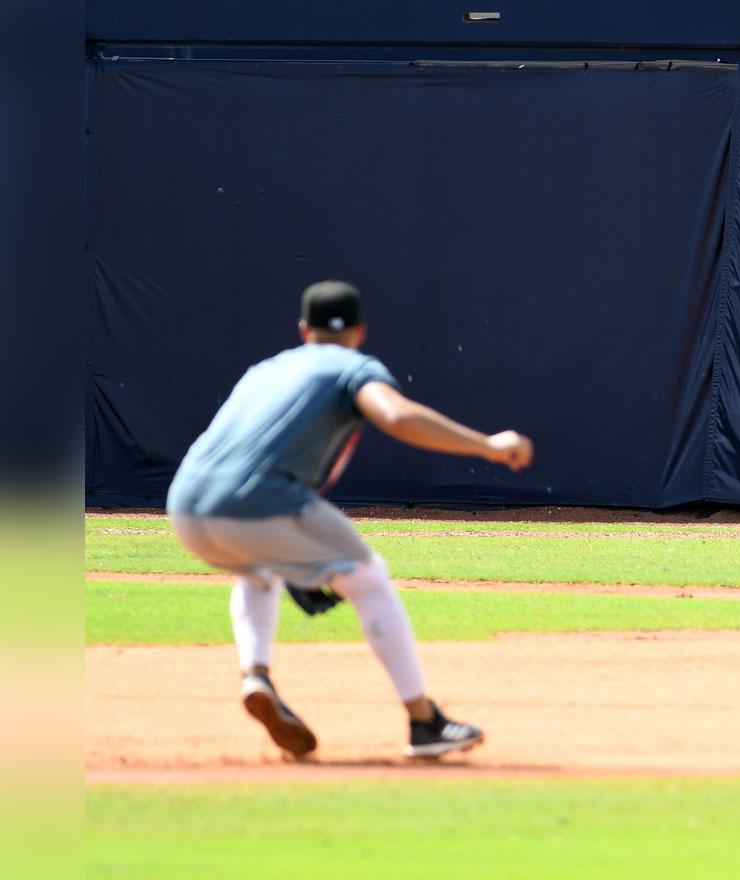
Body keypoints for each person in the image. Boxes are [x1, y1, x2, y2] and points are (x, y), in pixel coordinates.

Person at [167, 280, 534, 759]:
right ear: (360, 331)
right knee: (368, 576)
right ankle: (424, 722)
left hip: (186, 505)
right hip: (260, 500)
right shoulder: (355, 367)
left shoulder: (266, 370)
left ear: (303, 330)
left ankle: (255, 674)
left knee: (259, 568)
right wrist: (487, 445)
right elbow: (397, 417)